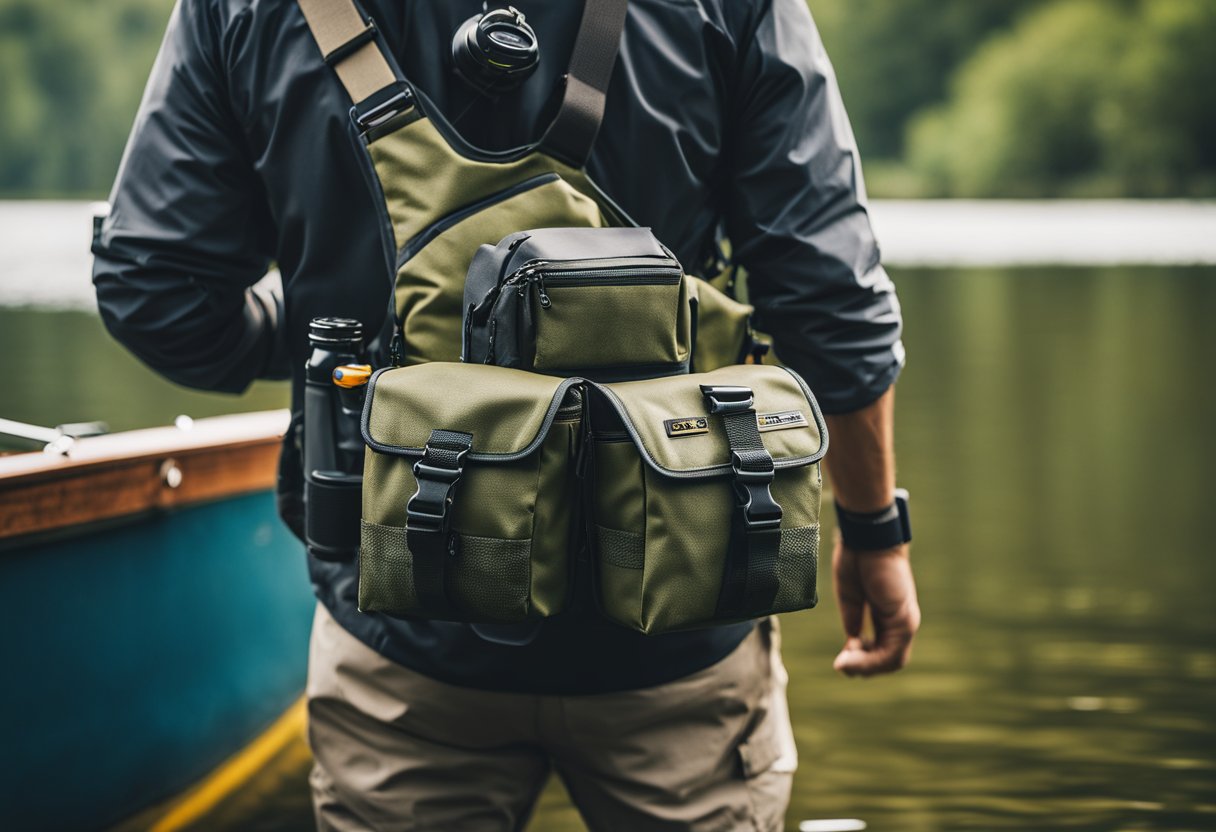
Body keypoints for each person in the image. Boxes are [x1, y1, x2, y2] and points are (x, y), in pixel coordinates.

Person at [93, 0, 921, 829]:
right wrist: (873, 530)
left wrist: (337, 346)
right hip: (678, 622)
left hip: (402, 624)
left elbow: (157, 290)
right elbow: (830, 303)